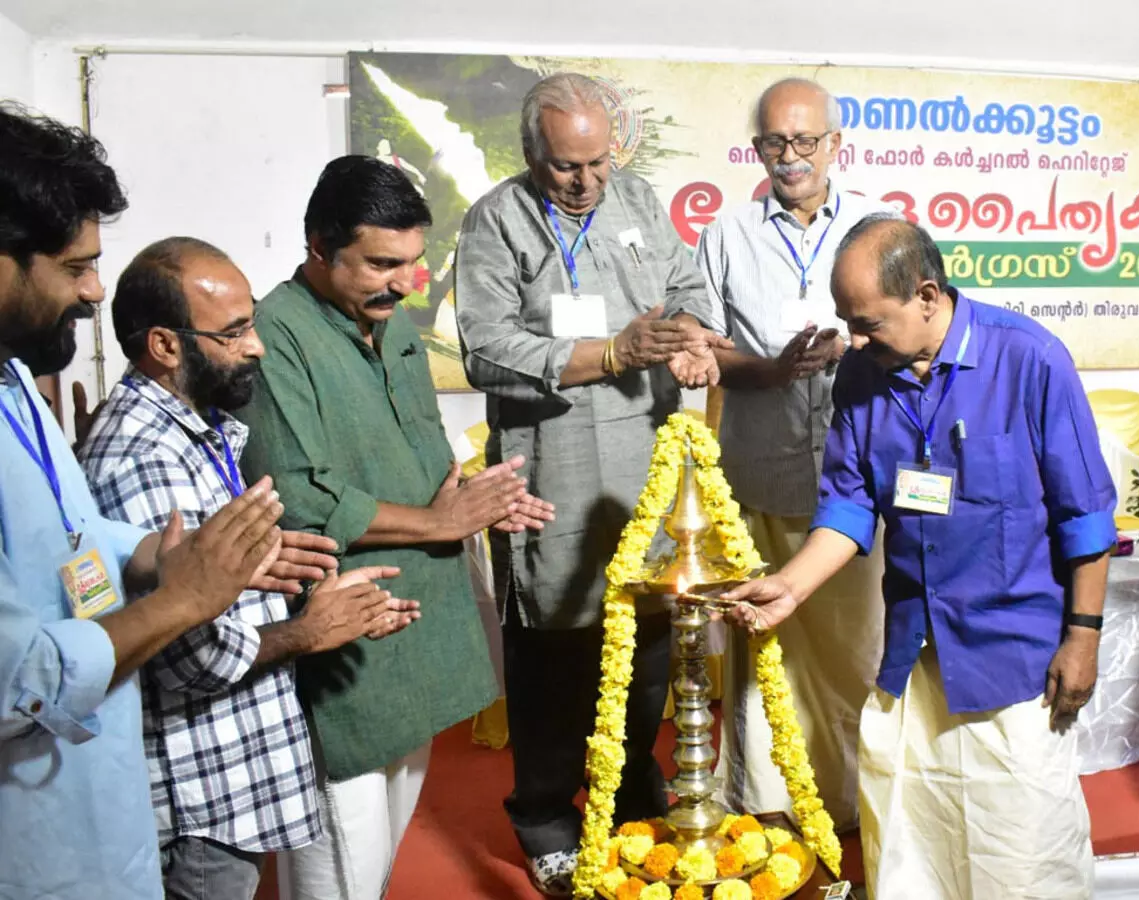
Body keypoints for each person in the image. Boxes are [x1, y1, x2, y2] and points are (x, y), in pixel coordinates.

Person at [724, 217, 1116, 899]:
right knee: (913, 848)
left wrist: (1083, 636)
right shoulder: (861, 374)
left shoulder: (1028, 359)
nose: (855, 339)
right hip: (916, 652)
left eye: (870, 322)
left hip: (1015, 658)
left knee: (1019, 855)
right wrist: (788, 586)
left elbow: (1084, 517)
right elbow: (849, 504)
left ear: (927, 296)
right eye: (849, 321)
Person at [0, 103, 334, 900]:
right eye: (74, 267)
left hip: (104, 808)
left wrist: (160, 556)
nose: (92, 293)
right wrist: (184, 600)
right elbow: (18, 681)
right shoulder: (133, 440)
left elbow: (69, 539)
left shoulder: (12, 379)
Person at [235, 155, 555, 900]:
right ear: (319, 246)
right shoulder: (274, 334)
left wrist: (474, 497)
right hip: (344, 634)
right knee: (340, 868)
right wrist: (441, 518)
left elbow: (423, 450)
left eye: (413, 263)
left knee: (377, 865)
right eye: (381, 263)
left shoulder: (392, 317)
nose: (403, 282)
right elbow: (301, 494)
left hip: (421, 625)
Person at [79, 237, 421, 900]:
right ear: (165, 345)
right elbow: (188, 656)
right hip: (200, 809)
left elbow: (218, 592)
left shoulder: (200, 430)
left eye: (252, 322)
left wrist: (314, 599)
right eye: (233, 332)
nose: (257, 346)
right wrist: (306, 633)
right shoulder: (145, 458)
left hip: (231, 789)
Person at [453, 72, 727, 896]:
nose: (587, 182)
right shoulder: (496, 221)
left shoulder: (640, 200)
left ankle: (637, 781)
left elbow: (685, 292)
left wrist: (687, 340)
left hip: (647, 465)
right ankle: (543, 812)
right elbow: (484, 348)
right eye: (568, 168)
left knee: (647, 636)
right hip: (553, 469)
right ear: (532, 154)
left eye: (600, 163)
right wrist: (607, 355)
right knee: (556, 646)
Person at [693, 77, 888, 830]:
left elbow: (914, 329)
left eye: (806, 141)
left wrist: (855, 344)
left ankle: (858, 815)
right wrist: (769, 368)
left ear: (836, 144)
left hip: (855, 485)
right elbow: (705, 348)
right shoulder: (726, 234)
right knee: (762, 662)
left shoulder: (878, 226)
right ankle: (768, 821)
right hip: (759, 472)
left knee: (856, 659)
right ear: (758, 147)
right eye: (775, 141)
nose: (790, 157)